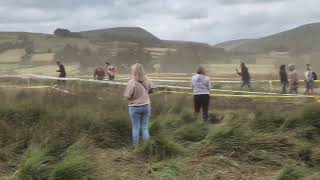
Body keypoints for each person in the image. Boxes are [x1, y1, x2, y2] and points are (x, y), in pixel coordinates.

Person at [123, 63, 155, 146]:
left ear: (133, 71)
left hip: (134, 107)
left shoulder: (131, 82)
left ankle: (136, 148)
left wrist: (129, 98)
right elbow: (152, 90)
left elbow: (127, 96)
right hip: (146, 106)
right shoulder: (147, 80)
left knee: (136, 128)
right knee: (145, 127)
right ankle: (146, 147)